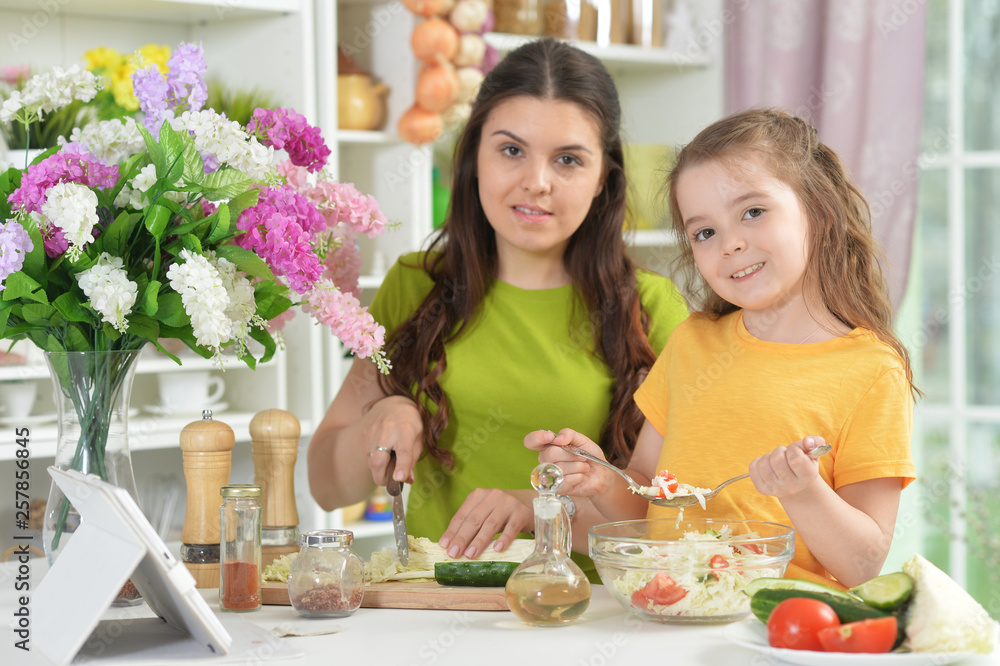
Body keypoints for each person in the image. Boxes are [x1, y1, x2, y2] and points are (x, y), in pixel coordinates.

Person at [306, 38, 689, 572]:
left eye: (568, 160)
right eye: (512, 150)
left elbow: (677, 518)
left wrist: (540, 507)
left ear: (604, 177)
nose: (536, 182)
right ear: (475, 157)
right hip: (437, 608)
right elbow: (326, 484)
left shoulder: (654, 308)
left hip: (588, 617)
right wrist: (379, 419)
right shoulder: (415, 286)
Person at [526, 108, 918, 589]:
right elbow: (650, 501)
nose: (730, 244)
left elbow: (862, 565)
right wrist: (603, 481)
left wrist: (804, 492)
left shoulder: (872, 370)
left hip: (777, 633)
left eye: (753, 212)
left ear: (821, 212)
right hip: (667, 613)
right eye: (704, 232)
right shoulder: (694, 342)